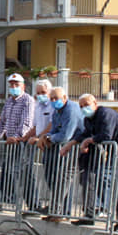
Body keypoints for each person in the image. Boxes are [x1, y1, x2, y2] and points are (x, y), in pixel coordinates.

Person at [65, 94, 118, 230]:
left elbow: (106, 135)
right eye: (81, 106)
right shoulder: (88, 119)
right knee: (112, 181)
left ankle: (104, 209)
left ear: (95, 103)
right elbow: (86, 133)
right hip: (114, 149)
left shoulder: (105, 114)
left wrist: (88, 141)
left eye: (86, 104)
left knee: (107, 177)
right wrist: (71, 144)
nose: (84, 108)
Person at [0, 73, 35, 205]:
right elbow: (2, 121)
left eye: (16, 84)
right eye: (11, 85)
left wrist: (16, 137)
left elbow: (26, 122)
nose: (13, 87)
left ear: (23, 86)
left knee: (19, 171)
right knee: (6, 169)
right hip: (10, 143)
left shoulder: (28, 100)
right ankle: (6, 199)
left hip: (21, 143)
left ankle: (24, 202)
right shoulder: (9, 101)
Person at [37, 87, 81, 219]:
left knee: (63, 179)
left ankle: (59, 210)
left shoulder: (71, 110)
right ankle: (57, 209)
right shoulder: (56, 112)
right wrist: (45, 137)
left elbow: (66, 136)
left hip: (74, 145)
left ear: (65, 98)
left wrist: (49, 138)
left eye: (56, 98)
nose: (54, 101)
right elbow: (55, 130)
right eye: (52, 99)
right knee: (51, 176)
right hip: (59, 146)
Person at [21, 79, 55, 213]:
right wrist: (24, 137)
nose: (40, 95)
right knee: (28, 169)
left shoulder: (53, 106)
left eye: (43, 92)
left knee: (53, 176)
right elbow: (35, 126)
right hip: (39, 142)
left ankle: (57, 207)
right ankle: (33, 204)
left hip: (49, 142)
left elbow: (51, 124)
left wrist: (39, 137)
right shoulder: (38, 106)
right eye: (38, 93)